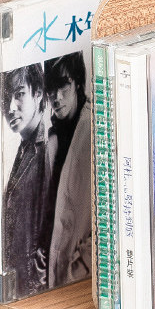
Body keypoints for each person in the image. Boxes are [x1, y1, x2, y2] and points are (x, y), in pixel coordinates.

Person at [42, 52, 92, 287]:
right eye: (51, 89)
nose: (56, 97)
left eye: (63, 85)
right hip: (52, 271)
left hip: (80, 276)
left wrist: (83, 264)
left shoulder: (94, 128)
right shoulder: (53, 137)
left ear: (77, 82)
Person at [1, 63, 51, 298]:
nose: (10, 107)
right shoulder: (25, 147)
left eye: (19, 94)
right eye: (6, 98)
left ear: (38, 93)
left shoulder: (47, 149)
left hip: (32, 292)